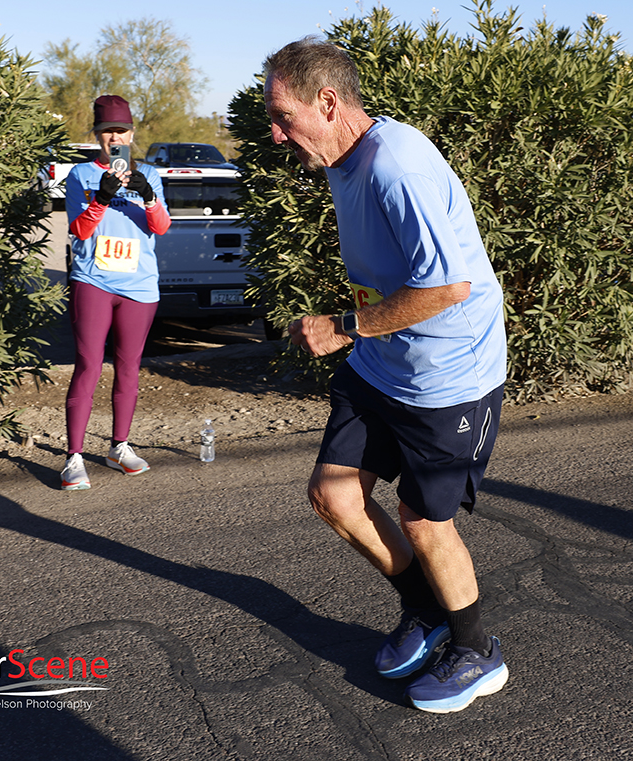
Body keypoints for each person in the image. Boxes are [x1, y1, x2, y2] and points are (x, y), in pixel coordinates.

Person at [263, 38, 510, 713]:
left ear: (329, 101)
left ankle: (476, 649)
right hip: (383, 361)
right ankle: (424, 612)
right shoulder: (343, 158)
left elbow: (447, 288)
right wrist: (356, 329)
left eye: (283, 116)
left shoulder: (395, 165)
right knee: (334, 496)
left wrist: (342, 325)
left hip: (449, 374)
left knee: (423, 522)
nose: (275, 132)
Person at [60, 95, 171, 490]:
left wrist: (148, 194)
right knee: (89, 364)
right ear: (97, 136)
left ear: (132, 134)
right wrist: (103, 197)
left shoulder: (150, 175)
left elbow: (161, 227)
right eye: (108, 132)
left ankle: (118, 447)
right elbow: (79, 231)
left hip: (139, 286)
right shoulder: (80, 175)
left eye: (121, 131)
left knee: (129, 367)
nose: (115, 138)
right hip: (93, 280)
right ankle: (73, 458)